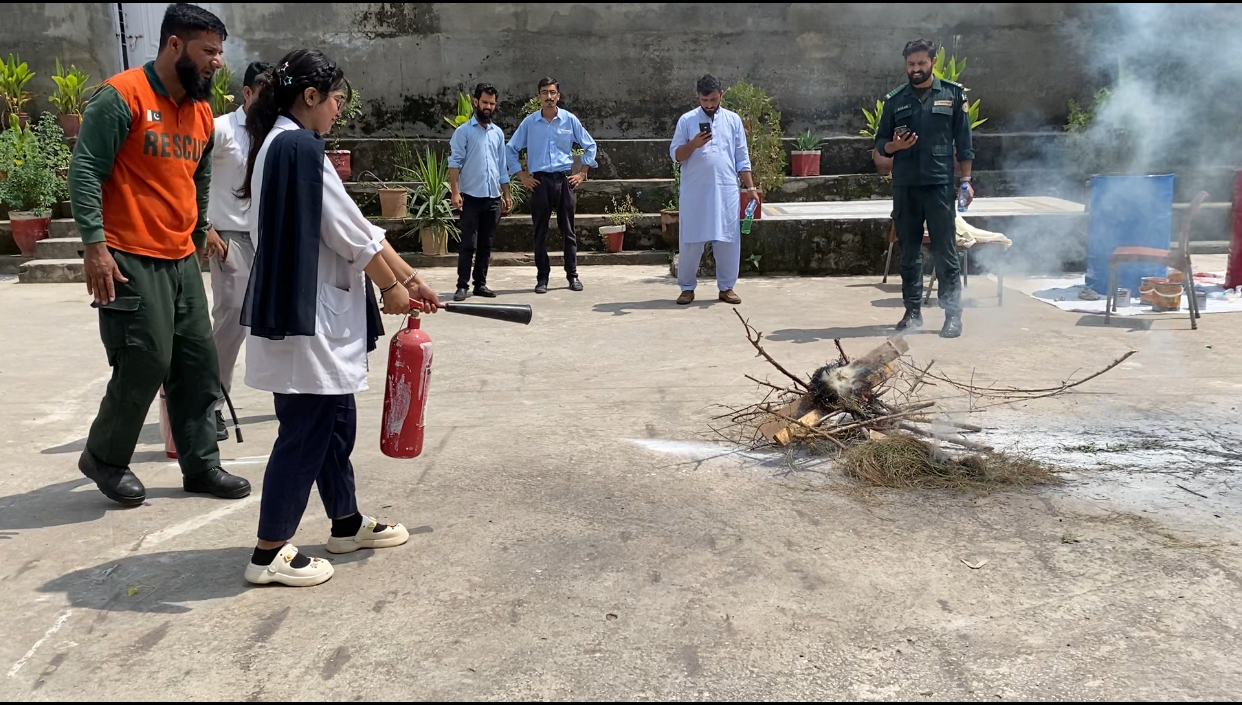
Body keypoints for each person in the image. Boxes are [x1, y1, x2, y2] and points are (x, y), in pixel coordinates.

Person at [237, 49, 441, 587]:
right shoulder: (297, 147)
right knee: (307, 429)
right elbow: (348, 235)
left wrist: (410, 278)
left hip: (314, 314)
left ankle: (345, 522)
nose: (339, 109)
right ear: (311, 96)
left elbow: (357, 226)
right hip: (309, 319)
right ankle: (269, 551)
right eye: (336, 99)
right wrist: (391, 287)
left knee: (335, 422)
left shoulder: (287, 143)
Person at [68, 3, 250, 506]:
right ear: (174, 45)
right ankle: (104, 456)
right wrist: (95, 246)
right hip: (127, 253)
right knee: (145, 359)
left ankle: (201, 465)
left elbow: (200, 175)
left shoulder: (199, 112)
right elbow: (85, 171)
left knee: (196, 362)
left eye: (219, 52)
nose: (217, 62)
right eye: (208, 51)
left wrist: (198, 231)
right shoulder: (121, 96)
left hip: (179, 255)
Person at [874, 38, 975, 338]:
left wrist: (966, 181)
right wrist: (895, 146)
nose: (915, 69)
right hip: (906, 186)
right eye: (910, 64)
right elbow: (881, 143)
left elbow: (965, 143)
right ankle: (912, 312)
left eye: (921, 63)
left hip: (938, 185)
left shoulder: (952, 95)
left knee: (945, 252)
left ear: (932, 62)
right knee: (909, 253)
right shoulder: (895, 100)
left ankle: (952, 316)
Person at [204, 60, 273, 440]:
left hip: (270, 236)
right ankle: (210, 405)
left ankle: (294, 394)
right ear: (246, 93)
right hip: (230, 237)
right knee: (231, 322)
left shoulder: (276, 132)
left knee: (280, 320)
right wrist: (204, 227)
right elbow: (186, 175)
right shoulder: (220, 130)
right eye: (263, 95)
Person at [669, 74, 756, 306]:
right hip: (695, 191)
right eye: (704, 100)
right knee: (690, 241)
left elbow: (742, 157)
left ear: (721, 95)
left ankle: (727, 287)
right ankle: (687, 288)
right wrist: (693, 144)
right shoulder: (687, 120)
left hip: (726, 190)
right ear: (698, 97)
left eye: (713, 100)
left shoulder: (733, 120)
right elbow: (676, 156)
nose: (709, 105)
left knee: (727, 240)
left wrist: (750, 187)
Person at [506, 77, 598, 294]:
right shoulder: (530, 123)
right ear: (539, 96)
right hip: (539, 182)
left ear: (558, 96)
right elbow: (510, 149)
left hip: (564, 181)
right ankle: (542, 278)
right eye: (544, 92)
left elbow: (590, 145)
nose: (549, 97)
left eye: (552, 93)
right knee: (540, 232)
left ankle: (572, 276)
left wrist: (582, 173)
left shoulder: (569, 120)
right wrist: (522, 176)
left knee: (569, 232)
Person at [448, 82, 511, 302]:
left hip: (492, 198)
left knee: (486, 244)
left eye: (492, 103)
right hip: (470, 198)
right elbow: (454, 164)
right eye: (484, 102)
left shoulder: (498, 134)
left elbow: (501, 166)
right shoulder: (463, 132)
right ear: (475, 102)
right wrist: (455, 193)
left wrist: (506, 193)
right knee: (468, 244)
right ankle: (462, 285)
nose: (488, 107)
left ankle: (480, 284)